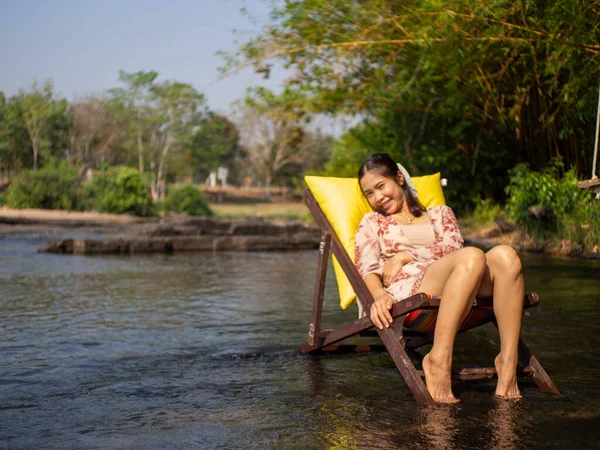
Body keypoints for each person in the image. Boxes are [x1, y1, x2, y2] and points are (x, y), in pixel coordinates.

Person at [354, 153, 524, 403]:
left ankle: (508, 363)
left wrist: (404, 255)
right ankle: (438, 359)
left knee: (507, 255)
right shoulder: (372, 222)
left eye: (381, 186)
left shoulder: (441, 214)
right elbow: (366, 268)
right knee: (473, 257)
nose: (377, 197)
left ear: (399, 178)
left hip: (462, 279)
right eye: (369, 193)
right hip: (411, 287)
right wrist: (378, 295)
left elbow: (453, 249)